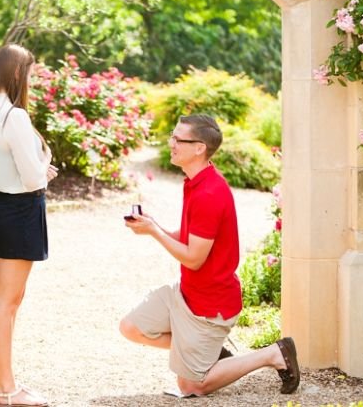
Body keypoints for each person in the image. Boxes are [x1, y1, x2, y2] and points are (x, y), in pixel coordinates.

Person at [119, 114, 300, 397]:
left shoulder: (209, 192)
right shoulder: (195, 181)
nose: (172, 143)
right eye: (173, 136)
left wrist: (155, 232)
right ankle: (208, 352)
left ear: (199, 148)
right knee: (131, 327)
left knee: (191, 386)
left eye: (179, 139)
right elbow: (193, 236)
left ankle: (272, 354)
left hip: (209, 307)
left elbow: (193, 258)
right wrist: (156, 226)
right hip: (186, 295)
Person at [0, 44, 57, 407]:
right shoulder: (16, 117)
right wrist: (43, 170)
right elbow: (30, 177)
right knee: (7, 303)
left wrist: (40, 171)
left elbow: (4, 167)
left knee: (8, 301)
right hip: (20, 209)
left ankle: (6, 386)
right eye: (30, 73)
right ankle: (6, 390)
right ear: (16, 74)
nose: (32, 80)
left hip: (4, 206)